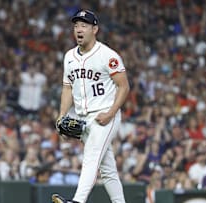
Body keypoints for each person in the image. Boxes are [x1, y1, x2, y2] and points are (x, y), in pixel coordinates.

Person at [52, 9, 130, 203]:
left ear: (95, 29)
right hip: (84, 118)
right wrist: (62, 115)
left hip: (105, 115)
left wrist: (111, 113)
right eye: (76, 25)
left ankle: (77, 201)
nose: (79, 29)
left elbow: (124, 86)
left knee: (91, 157)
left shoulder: (107, 55)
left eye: (84, 25)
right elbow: (67, 88)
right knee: (107, 169)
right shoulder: (69, 56)